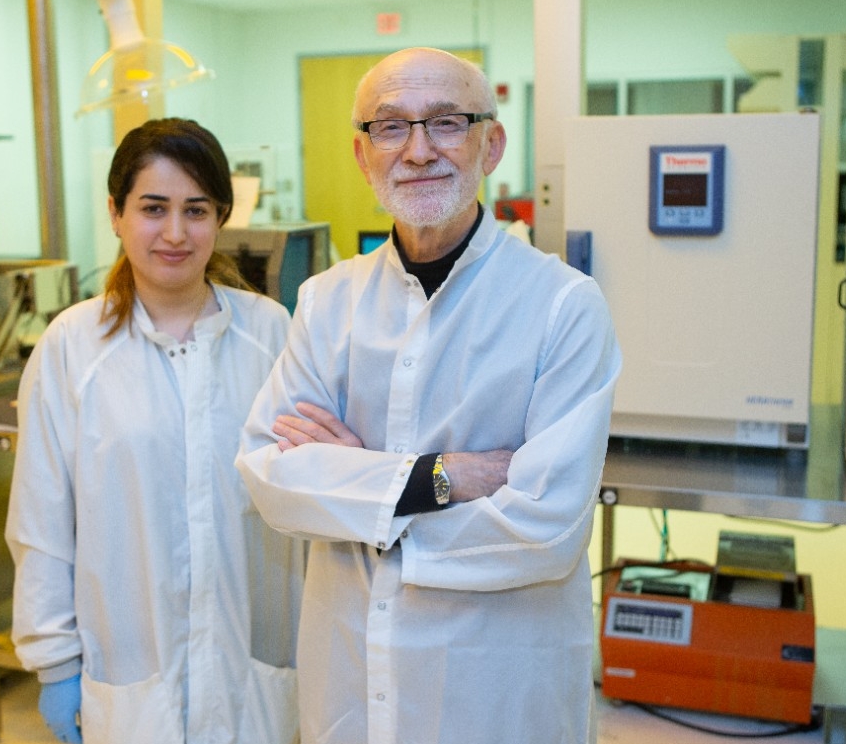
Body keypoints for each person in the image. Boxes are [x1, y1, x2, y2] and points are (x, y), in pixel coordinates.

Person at [235, 48, 622, 744]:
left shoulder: (562, 305)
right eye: (390, 127)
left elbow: (546, 527)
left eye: (446, 122)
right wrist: (445, 476)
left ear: (490, 143)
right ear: (362, 153)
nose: (418, 151)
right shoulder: (326, 302)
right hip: (353, 677)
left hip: (498, 684)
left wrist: (356, 495)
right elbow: (271, 477)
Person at [6, 118, 305, 744]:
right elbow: (41, 522)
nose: (175, 233)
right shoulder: (71, 349)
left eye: (195, 209)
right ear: (116, 213)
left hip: (254, 670)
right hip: (131, 682)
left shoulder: (271, 333)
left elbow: (307, 497)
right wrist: (55, 664)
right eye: (153, 208)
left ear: (222, 215)